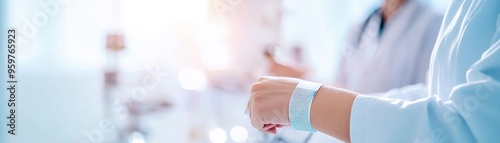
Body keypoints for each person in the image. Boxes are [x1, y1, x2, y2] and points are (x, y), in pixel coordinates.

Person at [247, 0, 500, 142]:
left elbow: (462, 127)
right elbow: (345, 88)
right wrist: (302, 89)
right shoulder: (362, 25)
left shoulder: (430, 23)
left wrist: (305, 103)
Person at [268, 0, 442, 94]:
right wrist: (300, 76)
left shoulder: (432, 24)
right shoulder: (359, 28)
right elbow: (341, 89)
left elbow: (425, 99)